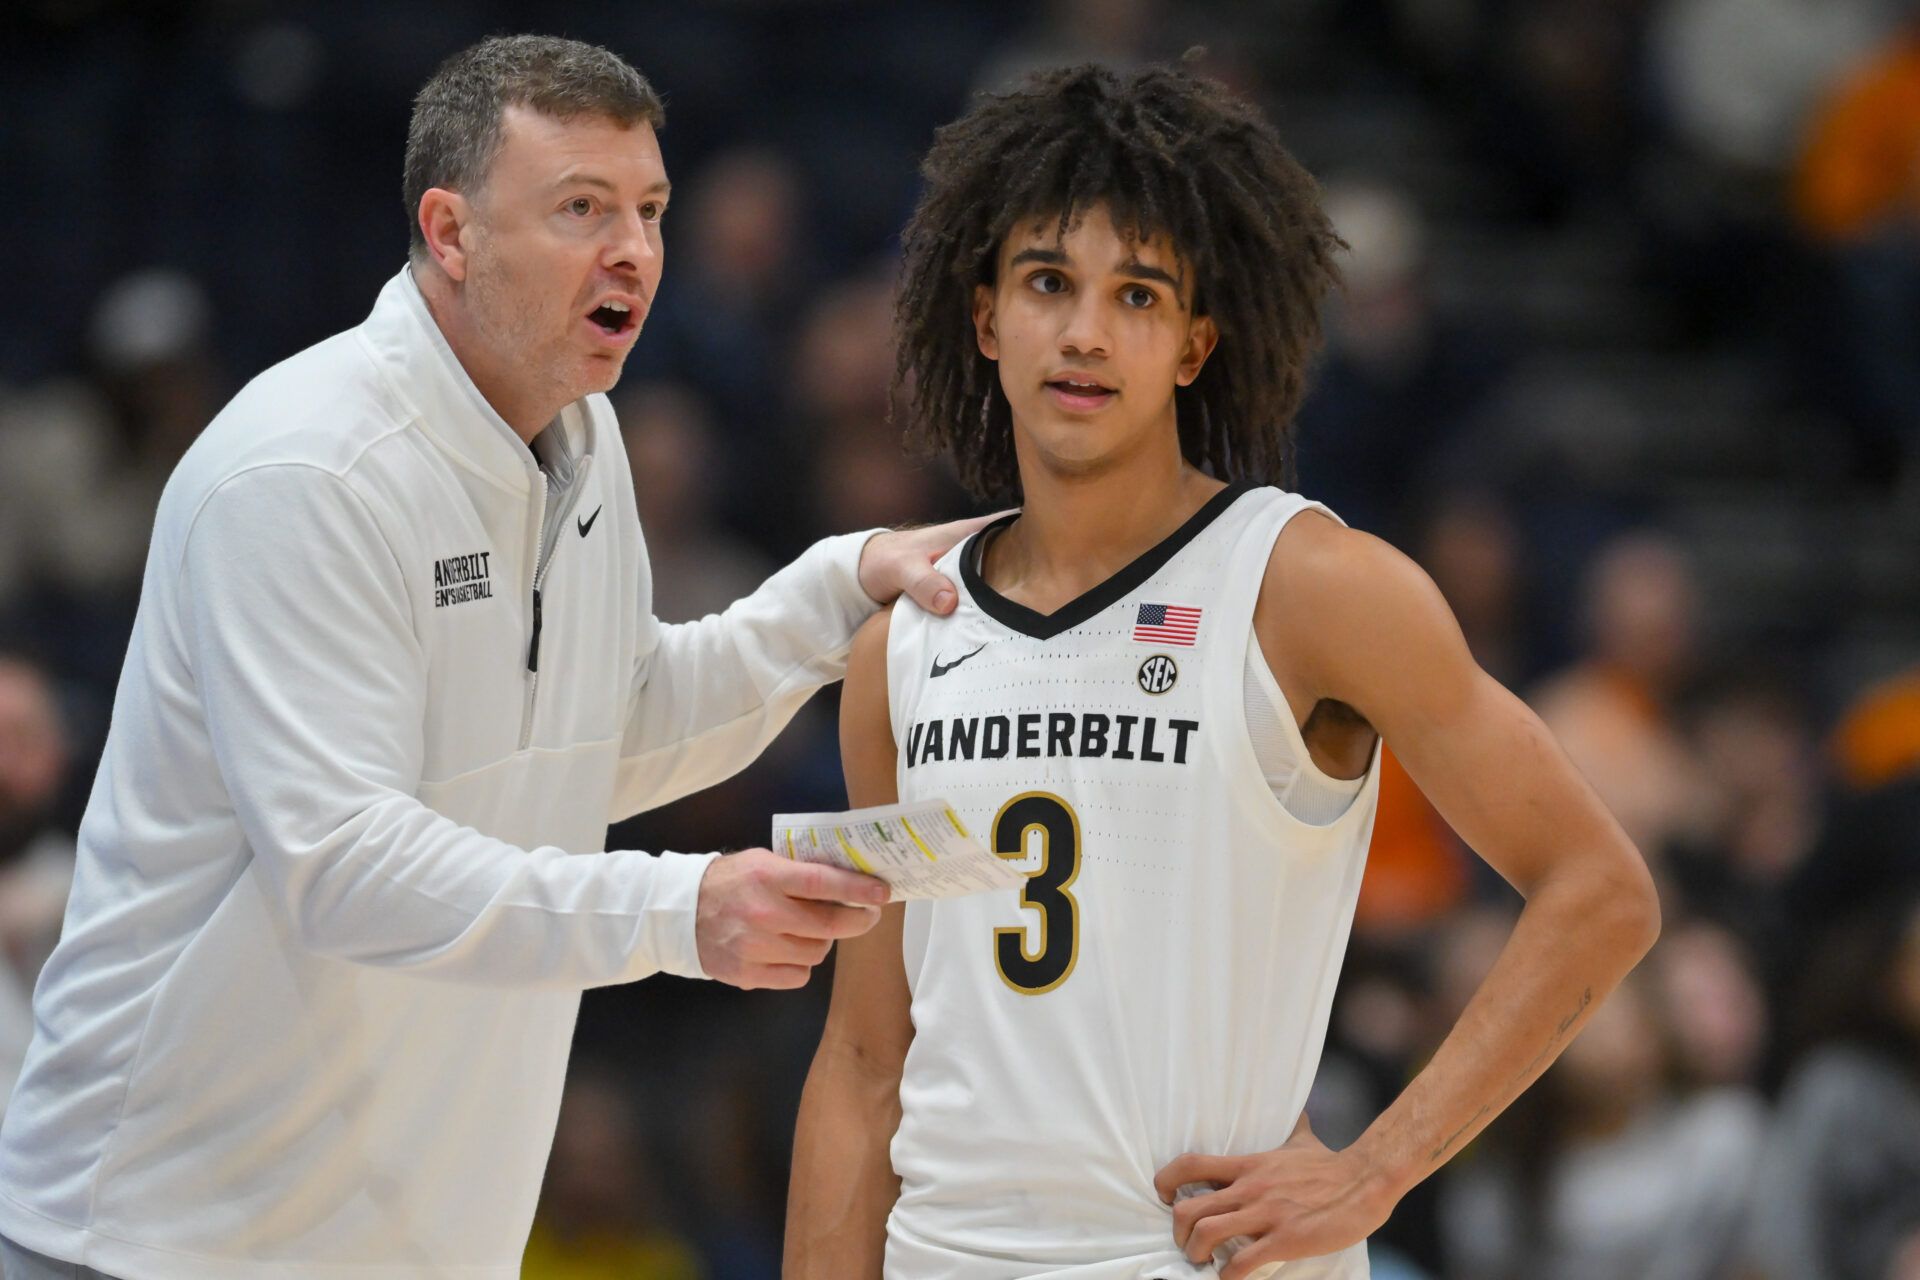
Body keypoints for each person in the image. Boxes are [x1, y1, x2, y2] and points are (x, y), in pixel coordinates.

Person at [0, 34, 984, 1280]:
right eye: (581, 208)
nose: (633, 248)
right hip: (166, 1235)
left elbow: (596, 741)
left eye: (650, 209)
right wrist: (682, 910)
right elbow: (344, 864)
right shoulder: (307, 470)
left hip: (416, 1235)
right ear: (450, 231)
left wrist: (835, 589)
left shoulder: (586, 437)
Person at [785, 63, 1661, 1280]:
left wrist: (1375, 1169)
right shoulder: (902, 647)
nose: (1085, 331)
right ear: (985, 317)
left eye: (1135, 294)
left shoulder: (1310, 588)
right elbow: (866, 1061)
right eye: (1048, 283)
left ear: (1196, 343)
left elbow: (1600, 889)